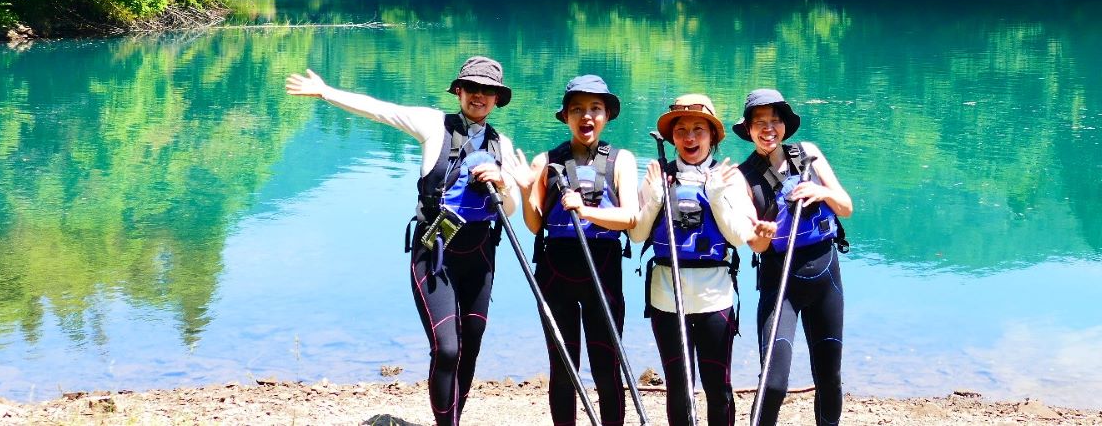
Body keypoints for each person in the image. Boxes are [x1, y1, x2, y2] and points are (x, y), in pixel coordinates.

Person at [285, 56, 519, 426]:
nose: (479, 96)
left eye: (488, 91)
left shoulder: (501, 144)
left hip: (480, 256)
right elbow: (382, 111)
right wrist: (326, 92)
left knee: (470, 346)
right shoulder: (433, 125)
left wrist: (504, 182)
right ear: (459, 91)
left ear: (497, 98)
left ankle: (454, 417)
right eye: (472, 88)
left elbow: (512, 208)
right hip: (435, 254)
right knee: (447, 348)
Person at [510, 74, 638, 426]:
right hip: (555, 271)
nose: (586, 117)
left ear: (607, 115)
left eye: (595, 108)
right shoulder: (545, 161)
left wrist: (586, 210)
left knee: (606, 365)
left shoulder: (621, 160)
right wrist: (524, 191)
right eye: (577, 109)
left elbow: (630, 217)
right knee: (564, 367)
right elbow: (536, 225)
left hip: (603, 268)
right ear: (565, 116)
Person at [630, 94, 759, 426]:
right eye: (682, 129)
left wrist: (716, 196)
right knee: (679, 388)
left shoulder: (730, 177)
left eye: (699, 129)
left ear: (712, 136)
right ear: (672, 136)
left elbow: (738, 238)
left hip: (714, 298)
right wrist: (656, 196)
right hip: (666, 298)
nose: (690, 138)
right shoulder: (657, 174)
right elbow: (638, 235)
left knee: (718, 389)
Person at [734, 88, 853, 426]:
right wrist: (762, 233)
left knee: (829, 375)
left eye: (774, 120)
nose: (768, 128)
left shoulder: (809, 155)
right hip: (779, 280)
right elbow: (755, 246)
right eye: (759, 122)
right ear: (749, 129)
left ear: (784, 124)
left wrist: (821, 190)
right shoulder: (743, 177)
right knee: (773, 383)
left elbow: (846, 206)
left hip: (825, 272)